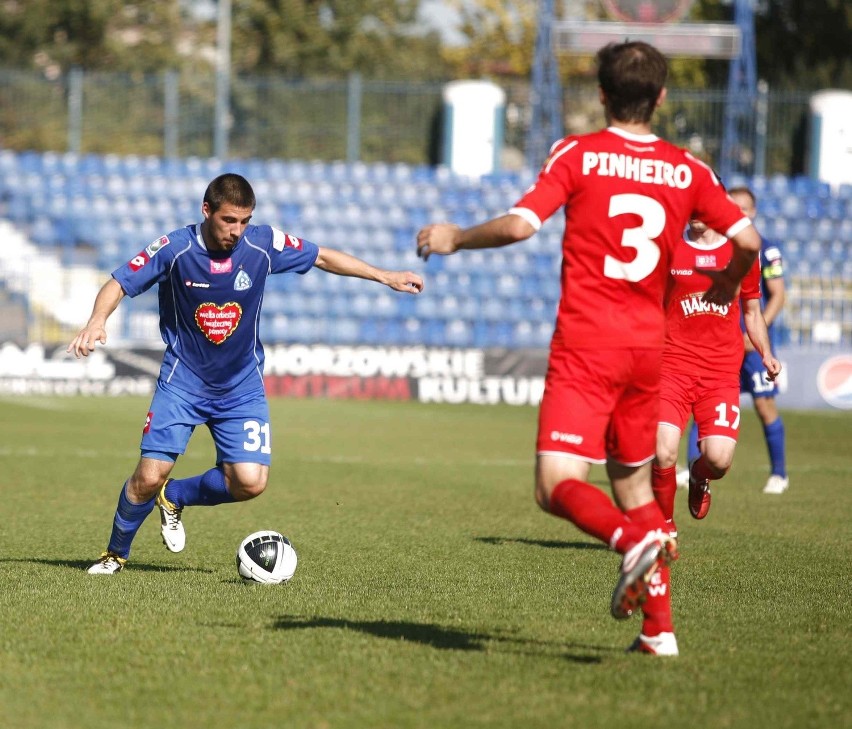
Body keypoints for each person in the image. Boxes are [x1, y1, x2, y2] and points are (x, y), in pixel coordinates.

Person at [415, 41, 763, 656]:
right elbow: (749, 238)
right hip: (650, 350)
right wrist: (733, 283)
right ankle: (659, 631)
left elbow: (523, 224)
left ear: (600, 94)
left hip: (588, 343)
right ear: (660, 98)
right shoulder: (690, 170)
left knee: (556, 485)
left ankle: (631, 545)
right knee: (632, 490)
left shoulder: (579, 153)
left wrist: (455, 237)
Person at [68, 173, 423, 575]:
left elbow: (323, 256)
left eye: (244, 221)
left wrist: (386, 276)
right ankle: (114, 555)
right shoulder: (175, 248)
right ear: (207, 211)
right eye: (229, 221)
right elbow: (118, 282)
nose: (237, 231)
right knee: (147, 478)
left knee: (250, 482)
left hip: (241, 387)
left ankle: (176, 496)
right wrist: (97, 321)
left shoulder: (262, 244)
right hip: (183, 383)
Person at [652, 218, 781, 539]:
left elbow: (752, 310)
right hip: (672, 367)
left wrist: (765, 352)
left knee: (719, 460)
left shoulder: (741, 253)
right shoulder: (668, 249)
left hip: (720, 373)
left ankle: (698, 476)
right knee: (662, 450)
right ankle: (664, 529)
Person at [677, 187, 789, 495]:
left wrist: (758, 333)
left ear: (753, 213)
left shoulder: (763, 249)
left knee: (765, 405)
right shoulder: (707, 246)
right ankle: (694, 470)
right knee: (701, 403)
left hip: (751, 342)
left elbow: (778, 295)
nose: (739, 213)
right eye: (733, 207)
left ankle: (779, 473)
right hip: (715, 343)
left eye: (745, 209)